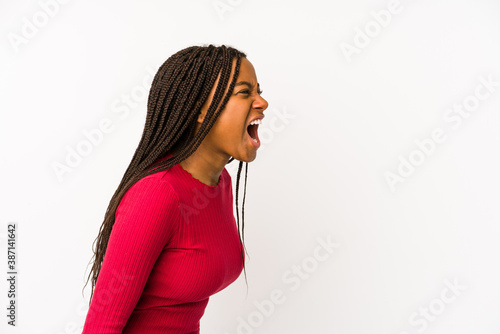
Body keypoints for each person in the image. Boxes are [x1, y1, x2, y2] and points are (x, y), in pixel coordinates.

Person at [81, 44, 269, 333]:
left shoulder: (220, 183)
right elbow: (101, 327)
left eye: (259, 90)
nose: (262, 102)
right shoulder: (157, 194)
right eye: (245, 93)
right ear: (199, 109)